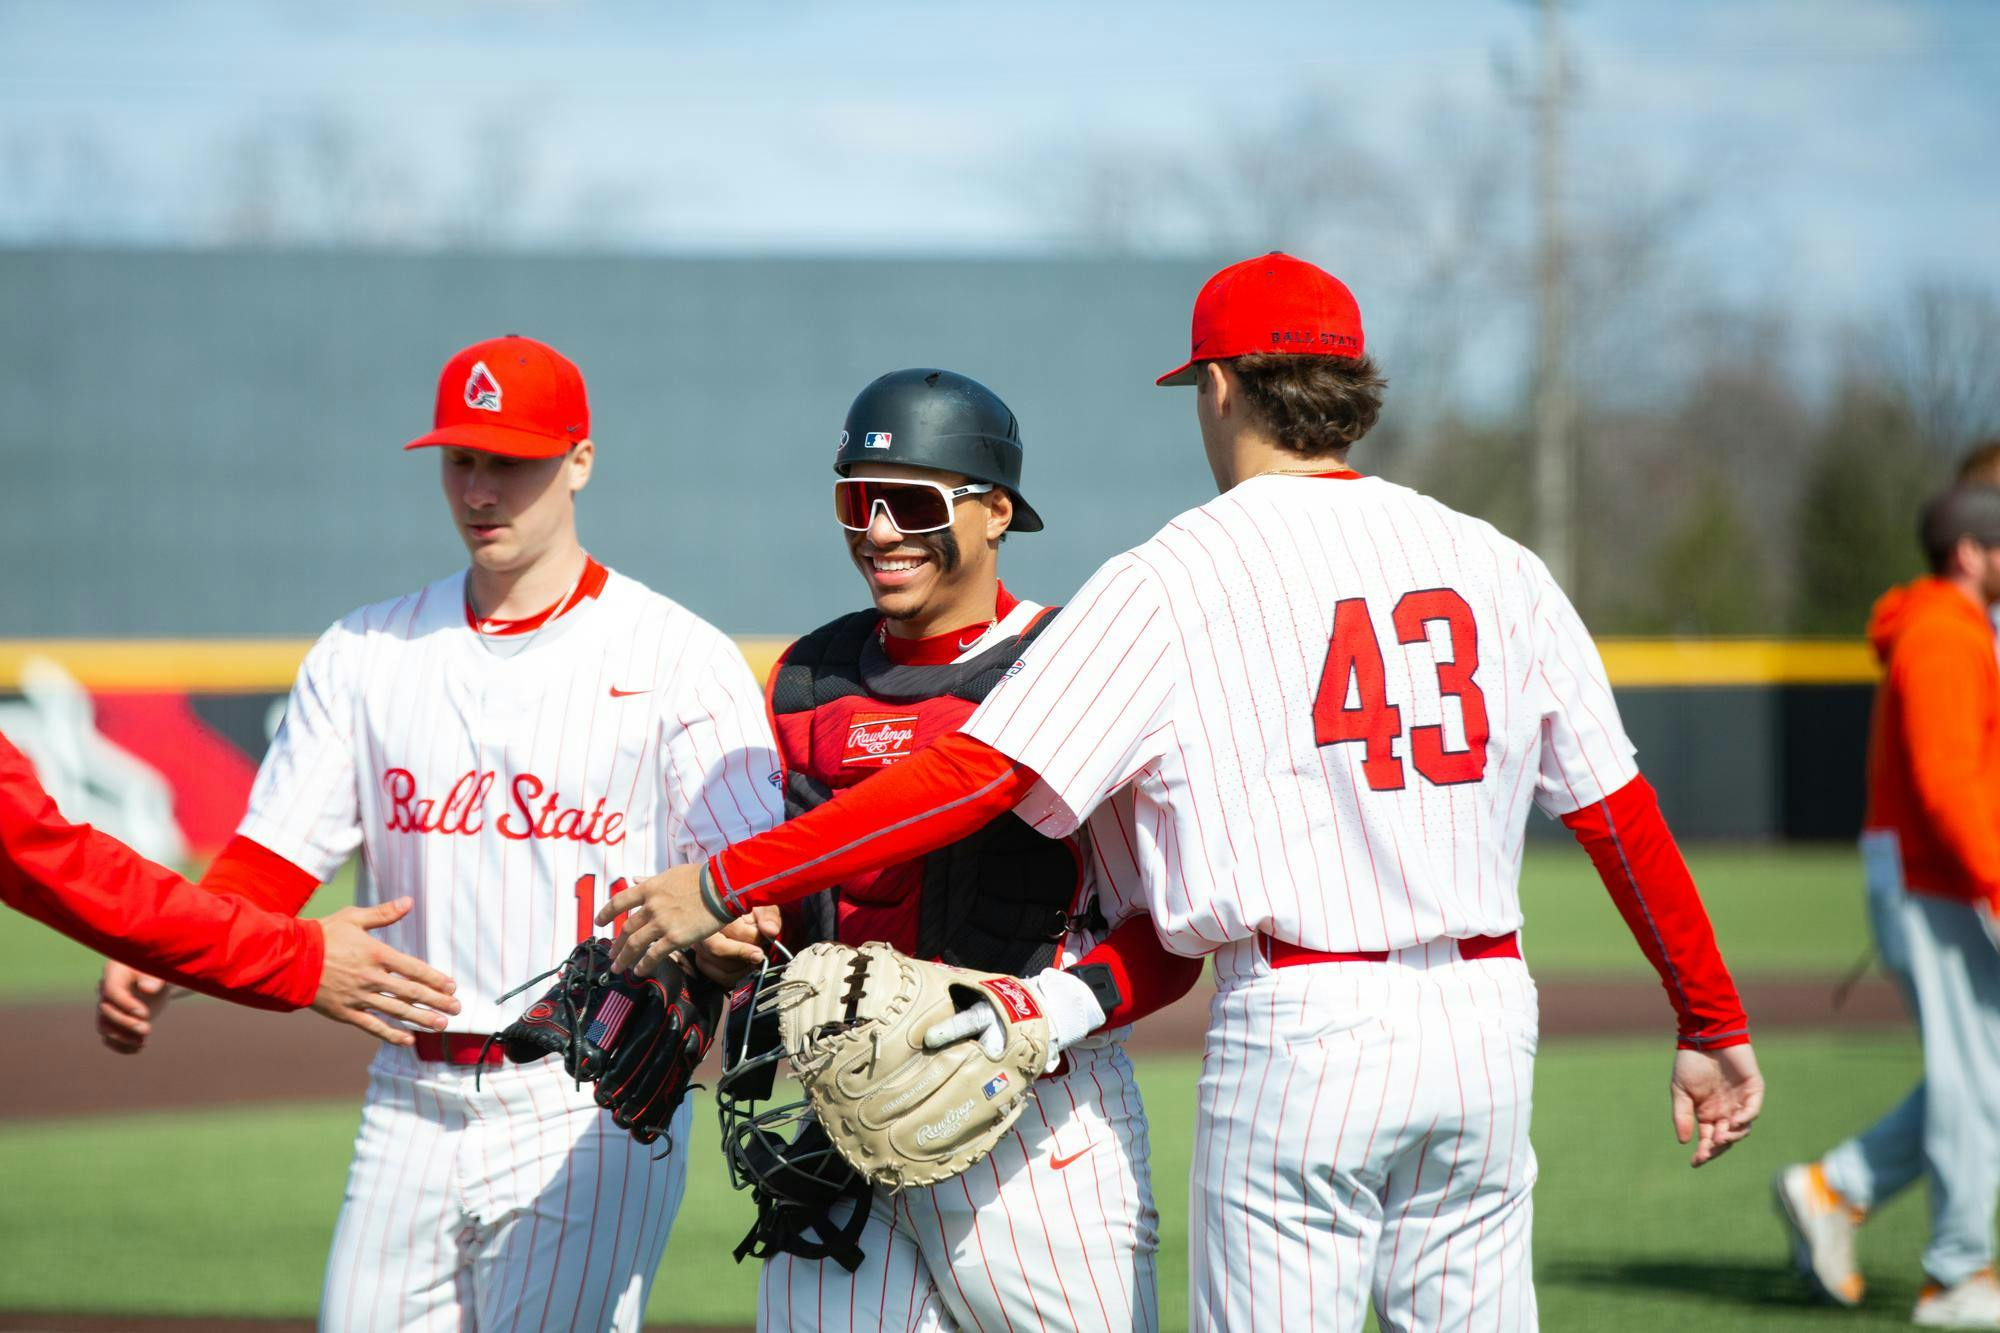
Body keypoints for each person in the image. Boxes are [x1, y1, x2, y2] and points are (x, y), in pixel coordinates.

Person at [603, 252, 1766, 1331]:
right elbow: (1617, 814)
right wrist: (1706, 1017)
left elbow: (981, 773)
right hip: (1483, 1021)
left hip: (1302, 1021)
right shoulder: (1496, 560)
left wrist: (723, 877)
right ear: (1348, 387)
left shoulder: (1179, 572)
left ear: (1217, 387)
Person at [94, 335, 784, 1333]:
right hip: (405, 1096)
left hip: (584, 1101)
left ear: (579, 459)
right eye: (463, 459)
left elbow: (747, 877)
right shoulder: (367, 650)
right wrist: (170, 948)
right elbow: (275, 855)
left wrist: (728, 942)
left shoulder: (679, 656)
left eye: (511, 459)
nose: (481, 488)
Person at [736, 367, 1195, 1332]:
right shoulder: (807, 677)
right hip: (845, 1121)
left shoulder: (1073, 663)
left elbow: (1172, 931)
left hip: (1036, 1124)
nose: (879, 530)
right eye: (856, 501)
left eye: (910, 501)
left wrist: (1046, 1011)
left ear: (995, 513)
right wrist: (734, 943)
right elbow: (784, 903)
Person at [1775, 485, 2000, 1328]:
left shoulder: (1952, 627)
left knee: (1983, 1075)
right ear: (1969, 554)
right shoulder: (1944, 633)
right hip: (1934, 878)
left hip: (1932, 876)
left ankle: (1835, 1189)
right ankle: (1957, 1274)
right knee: (1979, 1079)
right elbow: (1950, 784)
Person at [4, 729, 458, 1037]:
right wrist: (295, 958)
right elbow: (38, 852)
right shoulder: (360, 645)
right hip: (408, 1090)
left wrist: (176, 944)